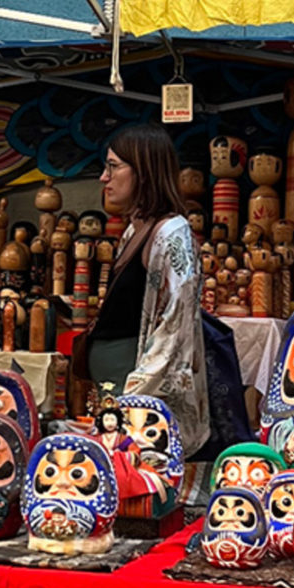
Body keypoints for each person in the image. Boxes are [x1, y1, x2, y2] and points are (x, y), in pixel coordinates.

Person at [82, 124, 210, 457]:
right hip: (119, 391)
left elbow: (174, 326)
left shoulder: (171, 233)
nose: (103, 178)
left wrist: (134, 395)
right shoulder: (135, 230)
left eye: (113, 166)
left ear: (144, 171)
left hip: (138, 397)